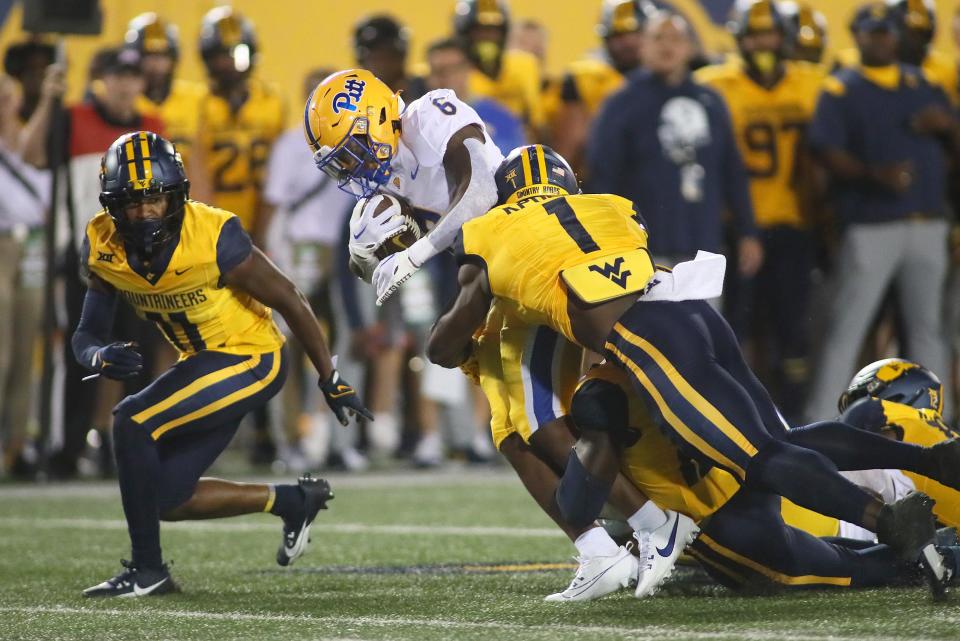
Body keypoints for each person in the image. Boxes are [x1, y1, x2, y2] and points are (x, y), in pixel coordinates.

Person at [427, 143, 952, 582]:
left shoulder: (492, 229)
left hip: (645, 336)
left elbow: (448, 344)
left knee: (761, 458)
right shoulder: (609, 205)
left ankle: (888, 521)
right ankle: (934, 464)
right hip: (689, 307)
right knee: (779, 440)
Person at [306, 71, 691, 602]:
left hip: (531, 250)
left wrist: (415, 253)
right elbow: (444, 229)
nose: (352, 168)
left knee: (536, 415)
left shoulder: (430, 114)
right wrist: (384, 243)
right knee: (508, 429)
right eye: (340, 162)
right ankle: (598, 551)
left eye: (350, 151)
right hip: (496, 272)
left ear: (376, 117)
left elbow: (479, 193)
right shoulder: (392, 167)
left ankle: (655, 524)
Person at [76, 131, 370, 597]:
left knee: (130, 421)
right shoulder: (103, 243)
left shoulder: (212, 235)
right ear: (113, 205)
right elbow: (86, 333)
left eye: (155, 197)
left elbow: (290, 298)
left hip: (251, 358)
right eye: (132, 201)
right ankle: (292, 501)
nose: (145, 211)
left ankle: (146, 571)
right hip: (203, 364)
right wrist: (97, 355)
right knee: (167, 498)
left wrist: (328, 376)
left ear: (176, 194)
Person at [573, 359, 959, 593]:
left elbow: (856, 421)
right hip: (793, 485)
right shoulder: (929, 430)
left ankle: (934, 550)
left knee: (811, 559)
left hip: (769, 502)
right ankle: (926, 541)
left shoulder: (885, 414)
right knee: (780, 446)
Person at [803, 2, 957, 422]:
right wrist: (874, 174)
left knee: (928, 330)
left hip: (927, 221)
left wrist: (946, 126)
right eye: (873, 33)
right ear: (858, 37)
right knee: (847, 327)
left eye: (887, 32)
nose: (882, 39)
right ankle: (823, 419)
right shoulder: (842, 87)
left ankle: (939, 422)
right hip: (871, 224)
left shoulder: (923, 82)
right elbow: (824, 151)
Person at [21, 46, 166, 479]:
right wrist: (49, 100)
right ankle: (69, 446)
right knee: (84, 352)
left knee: (138, 353)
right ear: (100, 77)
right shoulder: (72, 118)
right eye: (116, 74)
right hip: (85, 257)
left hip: (140, 257)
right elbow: (31, 154)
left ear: (143, 82)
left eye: (132, 75)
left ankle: (127, 443)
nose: (125, 84)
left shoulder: (153, 127)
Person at [694, 0, 825, 421]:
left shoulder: (812, 83)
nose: (762, 44)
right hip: (738, 224)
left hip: (794, 221)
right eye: (754, 35)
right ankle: (745, 415)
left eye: (769, 34)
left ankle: (795, 416)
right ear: (739, 38)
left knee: (792, 331)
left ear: (784, 37)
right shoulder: (715, 84)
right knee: (739, 327)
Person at [587, 11, 763, 282]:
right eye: (658, 38)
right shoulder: (620, 103)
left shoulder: (711, 101)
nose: (667, 45)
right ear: (643, 46)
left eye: (676, 38)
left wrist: (747, 232)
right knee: (645, 324)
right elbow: (602, 175)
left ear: (690, 47)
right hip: (642, 247)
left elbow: (732, 171)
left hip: (702, 244)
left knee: (701, 323)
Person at [262, 68, 360, 471]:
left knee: (346, 343)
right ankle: (290, 441)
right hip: (299, 249)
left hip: (348, 249)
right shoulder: (289, 145)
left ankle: (341, 439)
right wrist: (267, 259)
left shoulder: (354, 137)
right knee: (289, 344)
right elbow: (273, 204)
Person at [0, 73, 50, 478]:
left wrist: (49, 100)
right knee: (0, 353)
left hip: (32, 244)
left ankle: (17, 444)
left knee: (25, 348)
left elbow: (35, 161)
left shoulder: (27, 141)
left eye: (6, 99)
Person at [551, 0, 649, 176]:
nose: (628, 42)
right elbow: (568, 150)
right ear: (606, 38)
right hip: (602, 180)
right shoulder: (586, 78)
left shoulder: (668, 82)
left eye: (634, 34)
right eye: (619, 35)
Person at [453, 0, 544, 136]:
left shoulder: (525, 65)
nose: (487, 38)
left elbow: (536, 124)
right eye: (479, 31)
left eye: (493, 31)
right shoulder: (452, 72)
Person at [125, 13, 206, 166]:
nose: (155, 65)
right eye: (148, 57)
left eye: (162, 57)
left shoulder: (197, 98)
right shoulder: (124, 100)